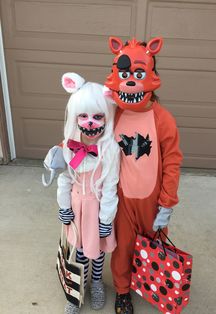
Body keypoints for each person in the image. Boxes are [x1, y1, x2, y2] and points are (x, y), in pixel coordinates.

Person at [104, 36, 183, 314]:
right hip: (122, 197)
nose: (131, 81)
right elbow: (87, 135)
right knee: (123, 245)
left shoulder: (163, 119)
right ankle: (123, 290)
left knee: (153, 244)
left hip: (152, 199)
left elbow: (173, 161)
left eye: (138, 73)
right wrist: (64, 149)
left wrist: (167, 200)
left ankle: (150, 281)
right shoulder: (112, 114)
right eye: (124, 74)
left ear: (151, 74)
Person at [46, 72, 120, 314]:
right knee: (79, 250)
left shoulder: (110, 149)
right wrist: (64, 208)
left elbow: (111, 186)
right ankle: (78, 286)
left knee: (97, 250)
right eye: (84, 116)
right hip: (78, 208)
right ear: (75, 118)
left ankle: (97, 282)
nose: (90, 123)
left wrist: (106, 219)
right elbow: (64, 181)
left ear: (107, 117)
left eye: (98, 116)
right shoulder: (68, 146)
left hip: (98, 208)